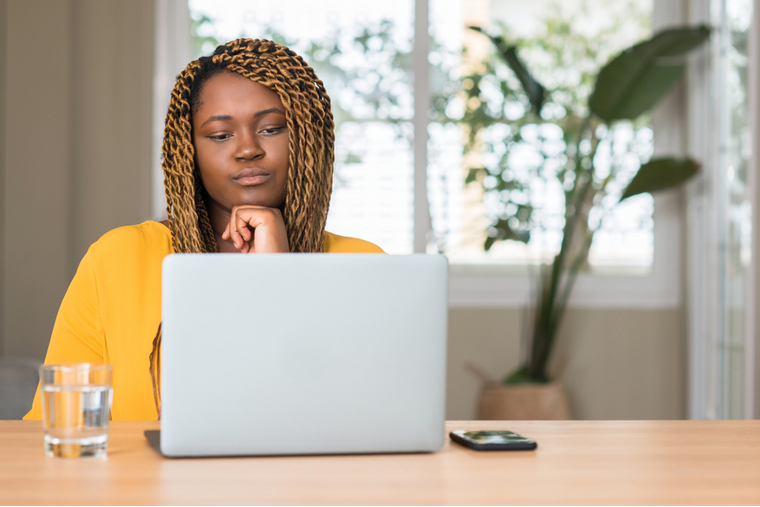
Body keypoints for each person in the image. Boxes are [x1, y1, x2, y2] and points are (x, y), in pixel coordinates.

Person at [24, 39, 383, 421]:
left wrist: (278, 276)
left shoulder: (362, 265)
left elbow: (364, 424)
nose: (247, 149)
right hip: (145, 482)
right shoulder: (118, 260)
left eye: (272, 128)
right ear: (189, 150)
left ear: (309, 140)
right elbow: (55, 428)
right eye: (220, 135)